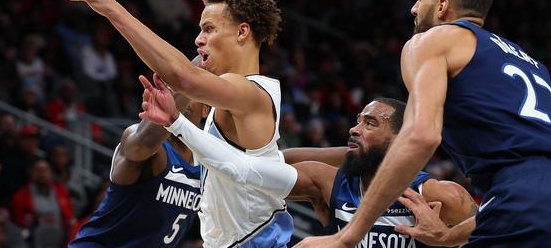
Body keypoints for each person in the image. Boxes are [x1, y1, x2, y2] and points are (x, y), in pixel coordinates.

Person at [296, 0, 551, 247]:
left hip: (520, 200)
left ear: (442, 6)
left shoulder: (432, 41)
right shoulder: (533, 64)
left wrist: (348, 236)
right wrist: (448, 237)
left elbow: (422, 136)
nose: (413, 7)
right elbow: (532, 184)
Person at [66, 0, 294, 247]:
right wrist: (214, 4)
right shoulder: (232, 100)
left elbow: (184, 76)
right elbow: (193, 74)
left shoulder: (248, 93)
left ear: (242, 32)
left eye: (208, 29)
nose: (199, 39)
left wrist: (112, 9)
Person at [139, 75, 476, 247]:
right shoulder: (327, 182)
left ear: (401, 139)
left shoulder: (442, 198)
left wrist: (446, 241)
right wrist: (177, 123)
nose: (354, 128)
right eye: (358, 119)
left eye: (370, 123)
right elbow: (247, 170)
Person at [69, 73, 208, 247]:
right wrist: (198, 67)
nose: (177, 100)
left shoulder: (206, 162)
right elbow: (142, 145)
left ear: (206, 109)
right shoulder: (145, 143)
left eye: (188, 93)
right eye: (172, 91)